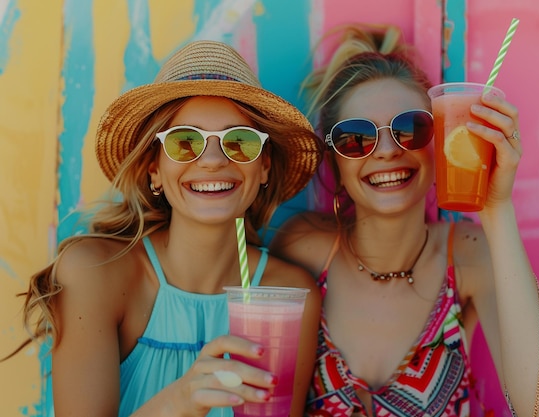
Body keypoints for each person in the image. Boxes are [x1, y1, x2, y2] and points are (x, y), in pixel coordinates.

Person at [270, 24, 539, 417]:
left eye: (410, 129)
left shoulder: (468, 256)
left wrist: (496, 209)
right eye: (356, 138)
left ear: (439, 140)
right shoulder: (303, 248)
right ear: (335, 160)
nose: (385, 152)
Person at [10, 40, 323, 417]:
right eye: (184, 142)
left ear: (265, 168)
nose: (211, 160)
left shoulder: (287, 295)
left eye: (238, 142)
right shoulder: (94, 273)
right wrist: (181, 400)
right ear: (154, 168)